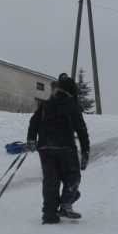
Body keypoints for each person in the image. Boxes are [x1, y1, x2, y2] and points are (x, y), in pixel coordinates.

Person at [27, 73, 90, 224]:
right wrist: (85, 151)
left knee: (51, 181)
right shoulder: (71, 105)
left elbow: (34, 122)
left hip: (45, 148)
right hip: (65, 147)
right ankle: (66, 203)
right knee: (73, 176)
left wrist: (31, 140)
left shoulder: (46, 104)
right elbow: (81, 130)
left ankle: (49, 214)